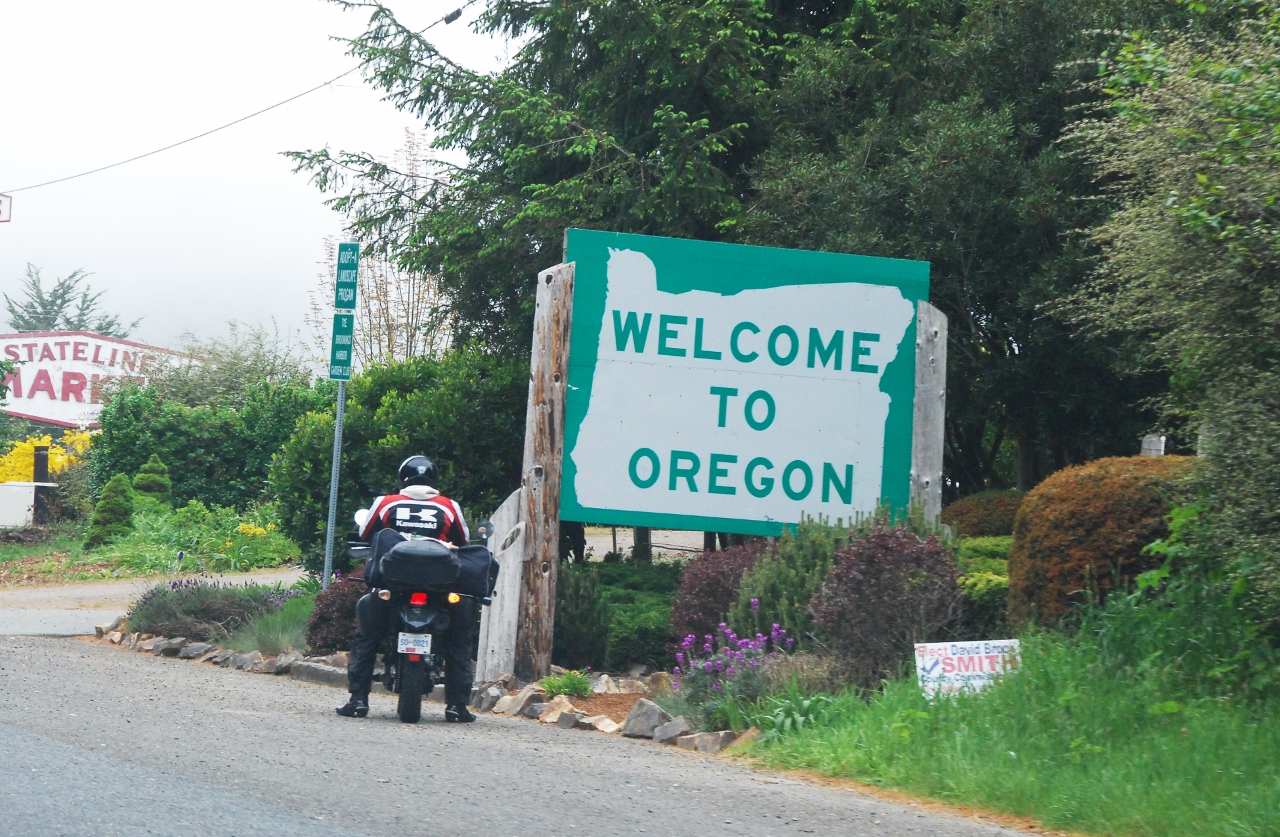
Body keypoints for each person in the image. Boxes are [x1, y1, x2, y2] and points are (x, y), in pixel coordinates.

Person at [336, 455, 478, 723]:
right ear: (433, 479)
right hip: (438, 585)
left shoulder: (386, 502)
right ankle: (457, 707)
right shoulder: (449, 506)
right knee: (458, 641)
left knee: (366, 637)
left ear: (403, 479)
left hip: (394, 583)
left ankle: (358, 701)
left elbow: (366, 534)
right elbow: (463, 540)